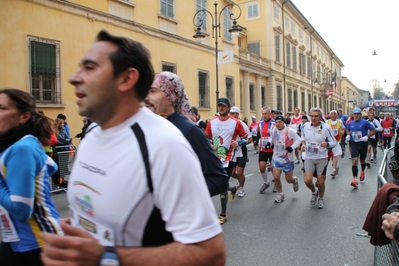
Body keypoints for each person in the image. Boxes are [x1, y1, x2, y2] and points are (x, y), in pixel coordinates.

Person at [41, 30, 226, 265]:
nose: (74, 77)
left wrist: (106, 256)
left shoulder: (164, 143)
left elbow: (211, 254)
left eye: (90, 67)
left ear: (126, 79)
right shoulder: (91, 134)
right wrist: (81, 226)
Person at [0, 88, 63, 265]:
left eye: (2, 108)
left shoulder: (23, 148)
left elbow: (21, 210)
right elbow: (52, 166)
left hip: (39, 243)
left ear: (24, 117)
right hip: (15, 238)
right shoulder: (17, 144)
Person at [145, 71, 229, 197]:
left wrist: (179, 196)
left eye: (153, 91)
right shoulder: (145, 126)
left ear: (171, 95)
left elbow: (219, 179)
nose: (147, 97)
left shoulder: (190, 131)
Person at [205, 97, 248, 224]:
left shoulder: (236, 122)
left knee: (222, 184)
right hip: (215, 156)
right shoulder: (211, 122)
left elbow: (248, 139)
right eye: (219, 106)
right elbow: (206, 138)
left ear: (228, 108)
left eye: (223, 106)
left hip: (230, 157)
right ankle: (232, 189)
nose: (221, 108)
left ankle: (223, 214)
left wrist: (239, 143)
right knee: (218, 183)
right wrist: (210, 144)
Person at [301, 107, 336, 209]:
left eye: (316, 116)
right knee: (307, 180)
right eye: (312, 116)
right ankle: (314, 192)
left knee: (320, 181)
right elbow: (303, 138)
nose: (313, 118)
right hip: (309, 156)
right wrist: (303, 145)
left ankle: (321, 197)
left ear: (320, 118)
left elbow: (334, 142)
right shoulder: (305, 126)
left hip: (321, 157)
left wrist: (328, 144)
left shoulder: (326, 128)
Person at [269, 115, 301, 203]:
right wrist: (269, 143)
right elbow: (271, 139)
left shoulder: (289, 131)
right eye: (276, 122)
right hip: (277, 157)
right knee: (276, 177)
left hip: (288, 159)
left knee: (288, 179)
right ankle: (280, 194)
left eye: (280, 122)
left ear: (283, 122)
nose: (278, 124)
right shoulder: (273, 130)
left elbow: (299, 139)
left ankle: (294, 180)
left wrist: (292, 147)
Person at [346, 108, 377, 188]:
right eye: (355, 114)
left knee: (362, 161)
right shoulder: (351, 123)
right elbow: (348, 129)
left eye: (358, 114)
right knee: (355, 160)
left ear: (360, 115)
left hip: (363, 143)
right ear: (353, 115)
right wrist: (348, 135)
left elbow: (374, 130)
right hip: (354, 144)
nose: (356, 116)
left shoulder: (365, 122)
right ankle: (355, 179)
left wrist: (367, 136)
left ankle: (362, 171)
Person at [229, 106, 252, 197]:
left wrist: (239, 143)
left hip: (241, 150)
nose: (231, 115)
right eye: (230, 113)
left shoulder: (243, 125)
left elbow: (250, 139)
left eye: (233, 114)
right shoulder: (228, 125)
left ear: (238, 114)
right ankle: (240, 180)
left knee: (240, 171)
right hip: (232, 152)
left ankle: (241, 188)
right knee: (231, 173)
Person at [256, 106, 275, 193]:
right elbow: (258, 134)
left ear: (270, 114)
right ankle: (266, 182)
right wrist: (256, 141)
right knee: (262, 167)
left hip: (273, 150)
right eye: (263, 114)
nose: (264, 115)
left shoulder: (274, 123)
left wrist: (271, 143)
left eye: (265, 114)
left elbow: (277, 136)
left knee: (272, 168)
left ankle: (276, 183)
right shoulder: (260, 124)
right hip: (263, 149)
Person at [326, 110, 345, 177]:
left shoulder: (339, 122)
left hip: (337, 140)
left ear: (337, 115)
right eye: (332, 114)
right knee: (331, 155)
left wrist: (342, 132)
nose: (333, 115)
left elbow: (343, 128)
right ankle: (335, 165)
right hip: (329, 141)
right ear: (330, 115)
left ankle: (334, 169)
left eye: (335, 114)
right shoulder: (327, 122)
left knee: (335, 155)